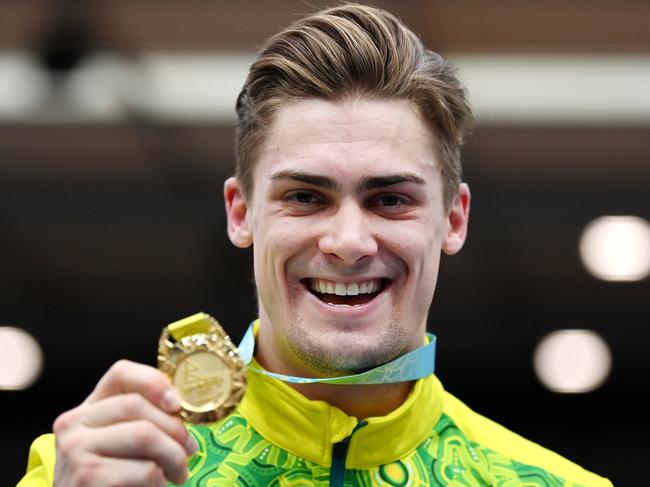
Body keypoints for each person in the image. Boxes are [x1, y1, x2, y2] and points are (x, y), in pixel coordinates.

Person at [18, 4, 612, 486]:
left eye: (390, 199)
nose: (349, 243)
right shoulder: (89, 465)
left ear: (453, 220)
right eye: (305, 197)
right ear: (241, 212)